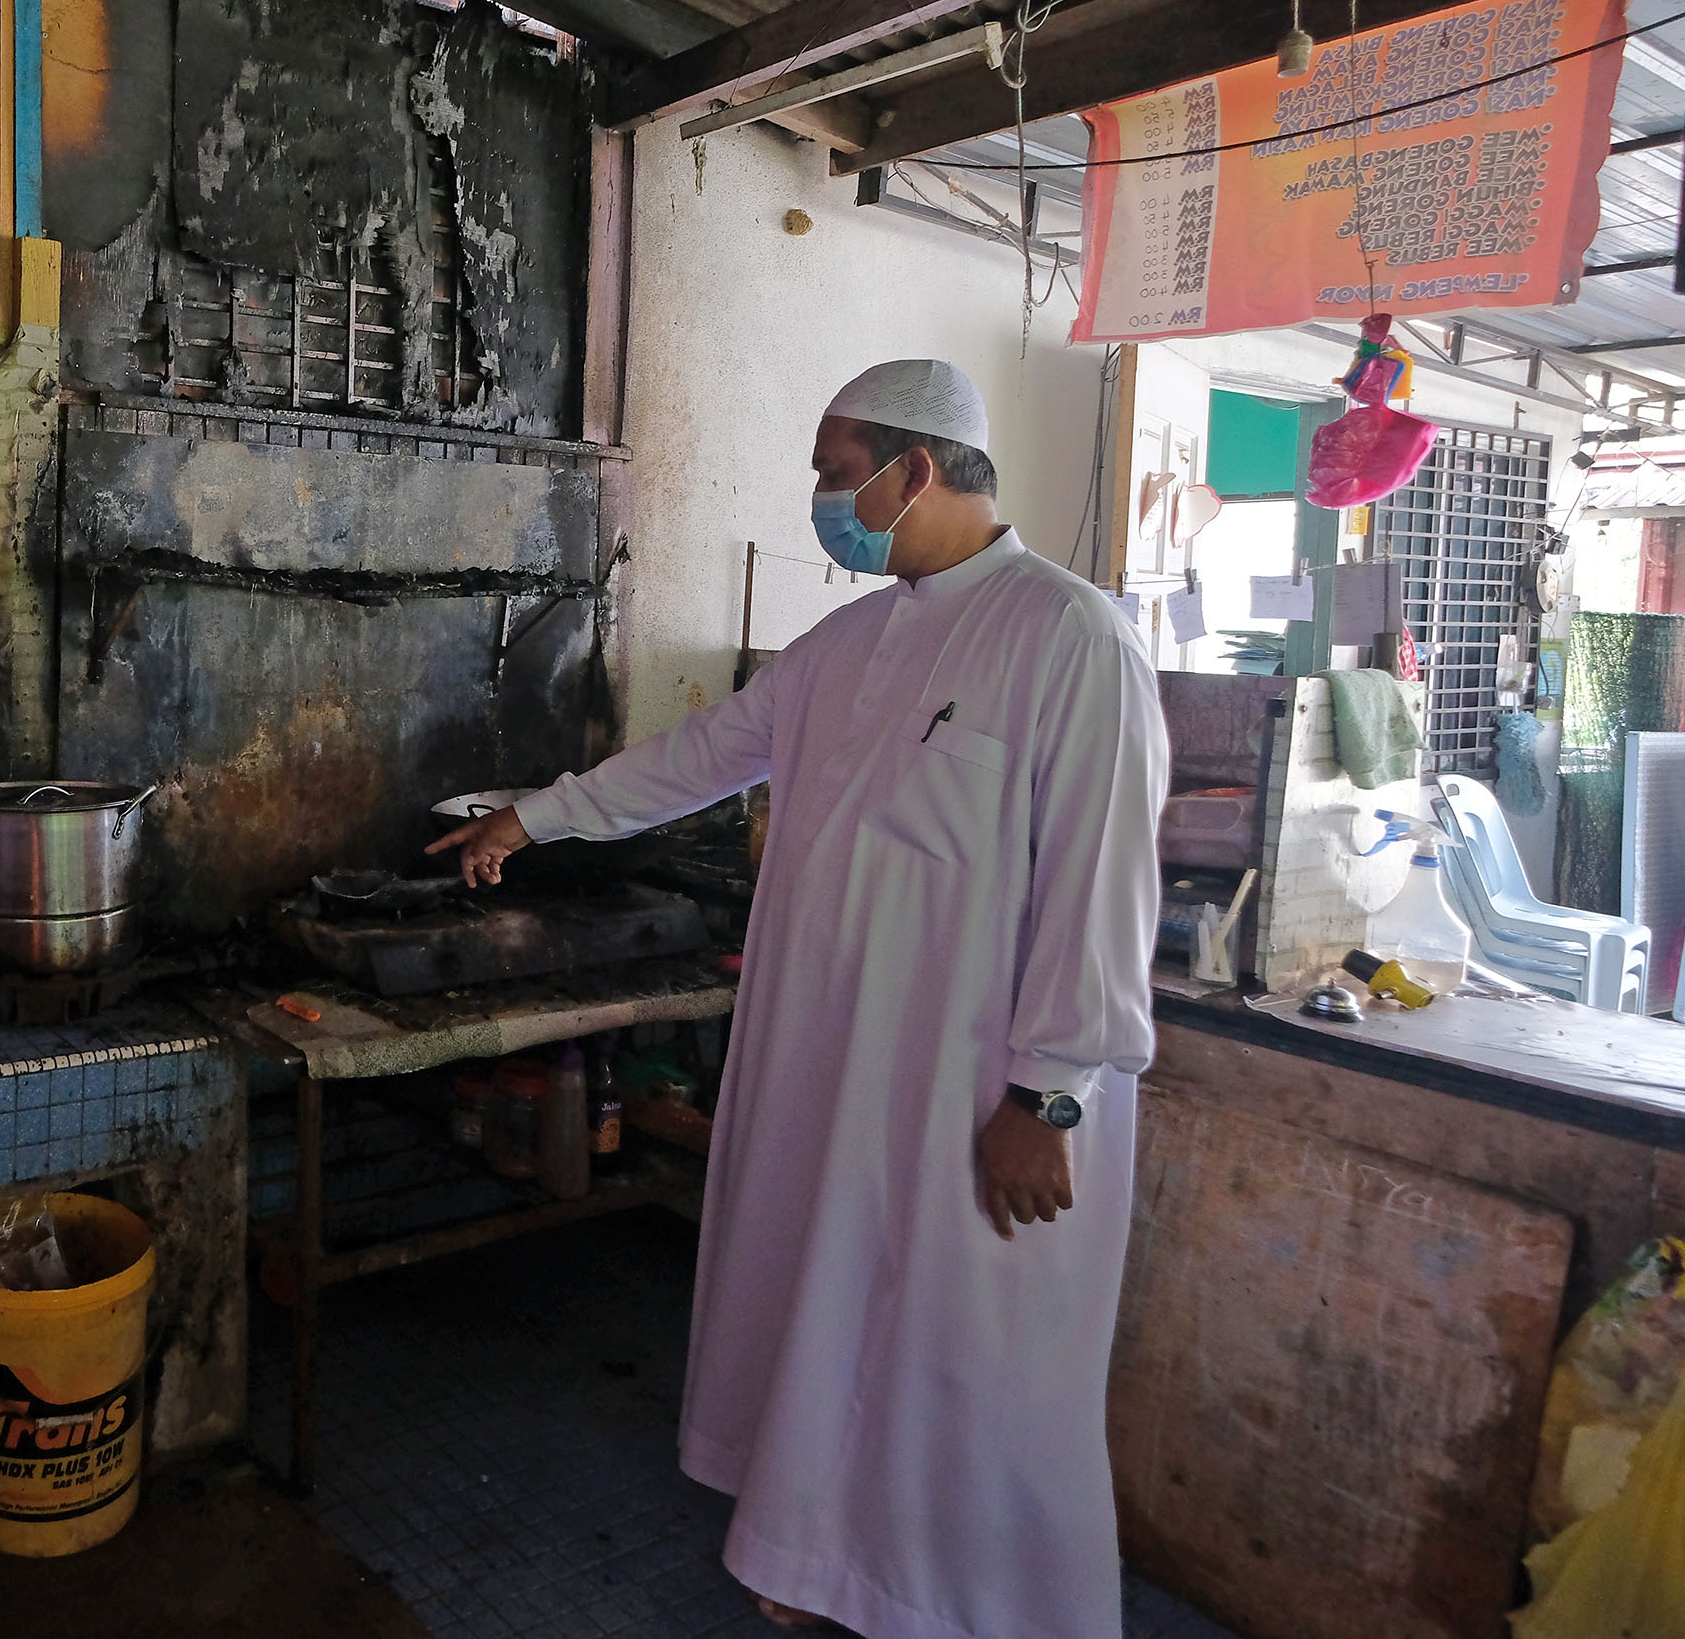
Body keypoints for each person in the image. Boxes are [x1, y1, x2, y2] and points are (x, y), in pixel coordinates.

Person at [430, 359, 1165, 1639]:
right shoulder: (851, 640)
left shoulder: (1070, 634)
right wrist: (534, 815)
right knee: (825, 1308)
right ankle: (822, 1557)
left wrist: (1050, 1089)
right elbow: (698, 758)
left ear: (916, 469)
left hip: (973, 1077)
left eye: (837, 474)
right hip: (831, 1051)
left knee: (963, 1352)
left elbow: (1104, 883)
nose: (825, 501)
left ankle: (971, 1601)